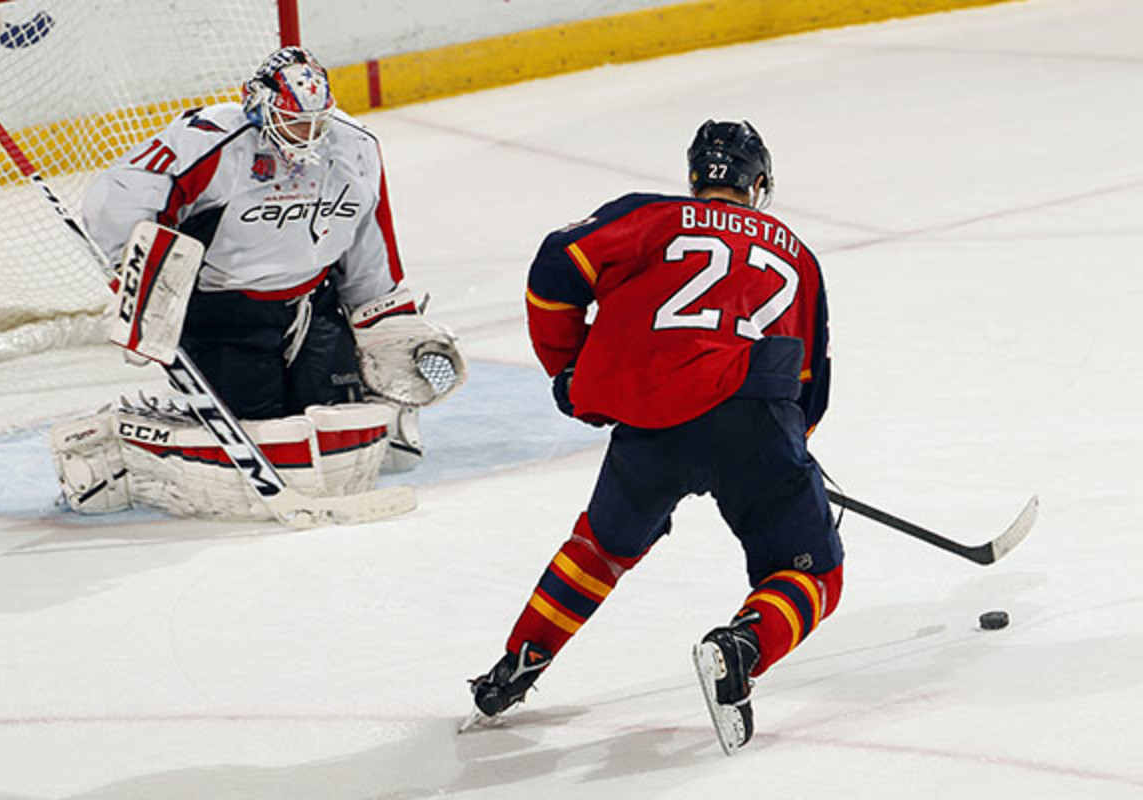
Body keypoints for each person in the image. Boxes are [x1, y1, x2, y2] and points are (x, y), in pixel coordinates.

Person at [462, 119, 843, 753]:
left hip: (654, 423)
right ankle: (741, 648)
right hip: (755, 419)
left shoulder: (653, 218)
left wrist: (571, 367)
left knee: (599, 549)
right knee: (811, 574)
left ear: (696, 179)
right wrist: (789, 451)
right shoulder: (798, 254)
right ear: (759, 184)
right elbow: (808, 384)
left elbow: (556, 267)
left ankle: (516, 667)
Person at [51, 46, 463, 520]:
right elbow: (118, 198)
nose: (306, 137)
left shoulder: (355, 145)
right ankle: (116, 449)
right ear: (259, 104)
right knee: (263, 448)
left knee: (339, 438)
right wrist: (139, 282)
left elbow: (369, 238)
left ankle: (378, 405)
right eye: (293, 122)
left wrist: (385, 323)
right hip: (224, 316)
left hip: (314, 305)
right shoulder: (207, 141)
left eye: (315, 123)